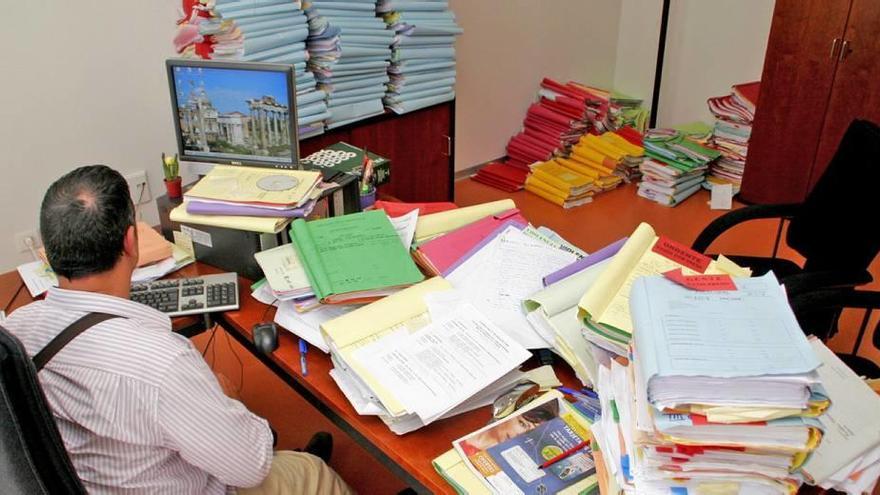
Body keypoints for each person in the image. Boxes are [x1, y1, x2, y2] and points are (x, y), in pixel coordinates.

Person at [5, 165, 352, 495]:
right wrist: (227, 401)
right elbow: (251, 467)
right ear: (131, 241)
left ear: (47, 253)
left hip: (88, 480)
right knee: (311, 471)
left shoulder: (17, 331)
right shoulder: (160, 363)